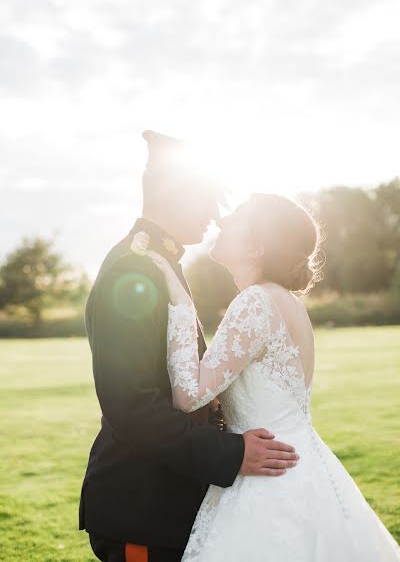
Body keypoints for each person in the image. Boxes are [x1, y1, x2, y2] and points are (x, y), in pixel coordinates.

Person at [79, 132, 299, 562]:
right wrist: (232, 453)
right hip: (141, 509)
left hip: (170, 504)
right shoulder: (133, 270)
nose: (216, 217)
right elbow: (132, 406)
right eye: (208, 201)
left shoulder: (157, 263)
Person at [147, 192, 400, 562]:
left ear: (255, 248)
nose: (222, 219)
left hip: (267, 478)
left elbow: (187, 395)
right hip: (304, 468)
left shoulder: (256, 302)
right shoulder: (283, 301)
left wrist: (182, 306)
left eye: (237, 217)